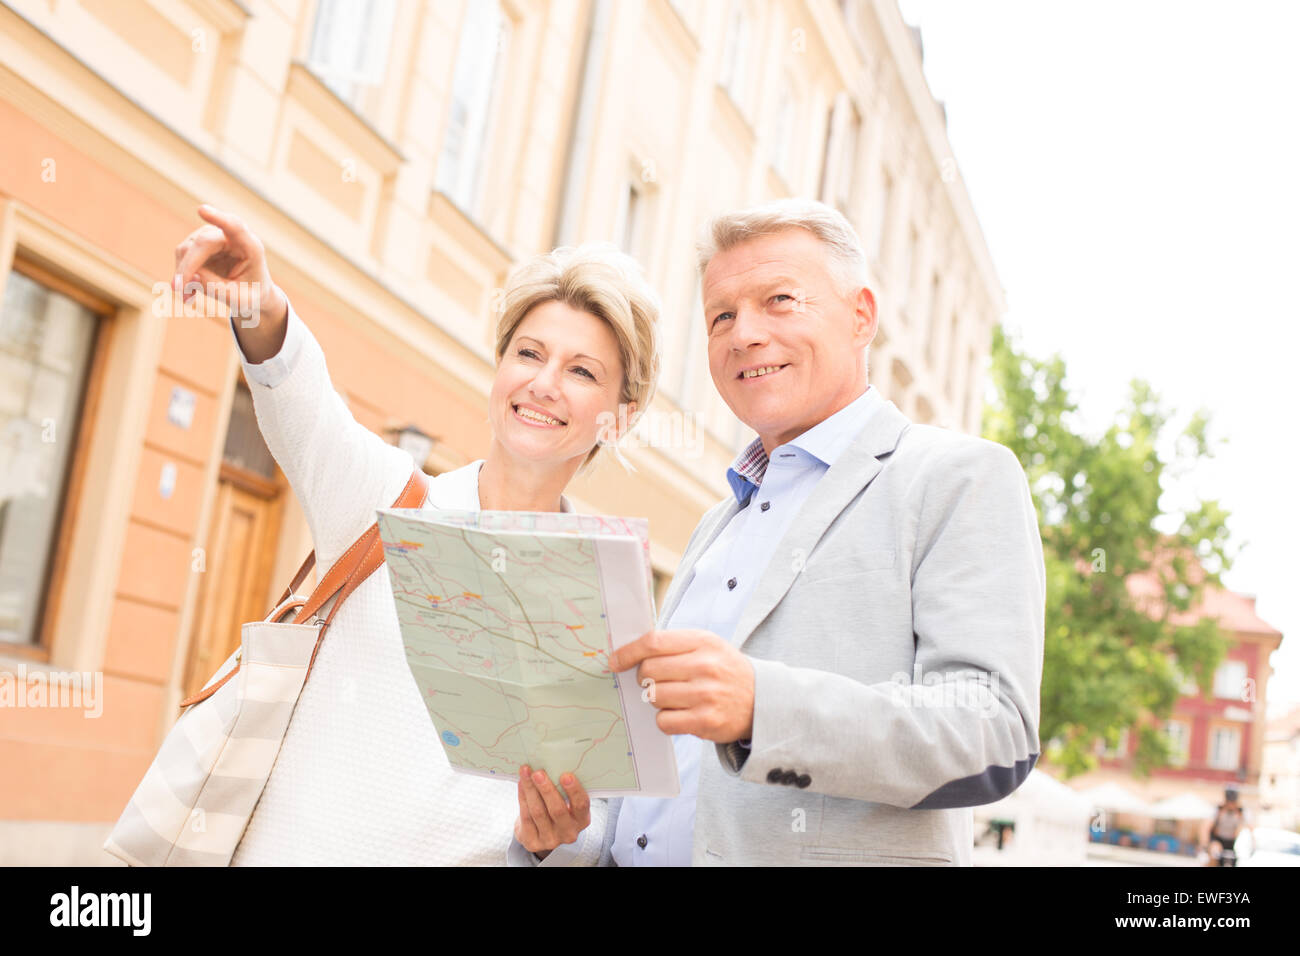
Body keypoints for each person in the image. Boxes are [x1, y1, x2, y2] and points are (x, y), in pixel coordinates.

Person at [511, 197, 1045, 866]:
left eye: (780, 301)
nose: (745, 334)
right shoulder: (717, 523)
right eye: (721, 316)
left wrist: (763, 708)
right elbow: (656, 789)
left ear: (861, 316)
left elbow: (994, 728)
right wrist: (566, 840)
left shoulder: (957, 478)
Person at [171, 204, 660, 865]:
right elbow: (304, 410)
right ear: (500, 367)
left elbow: (600, 821)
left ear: (619, 418)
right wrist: (260, 303)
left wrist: (556, 841)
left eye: (582, 371)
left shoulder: (608, 601)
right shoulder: (388, 499)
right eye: (529, 353)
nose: (543, 384)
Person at [1201, 786, 1252, 866]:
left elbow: (1250, 828)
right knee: (1215, 853)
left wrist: (1252, 844)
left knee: (1239, 858)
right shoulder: (1218, 810)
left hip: (1233, 842)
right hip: (1217, 839)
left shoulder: (1241, 812)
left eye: (1233, 802)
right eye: (1229, 801)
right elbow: (1206, 827)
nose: (1231, 804)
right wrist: (1205, 845)